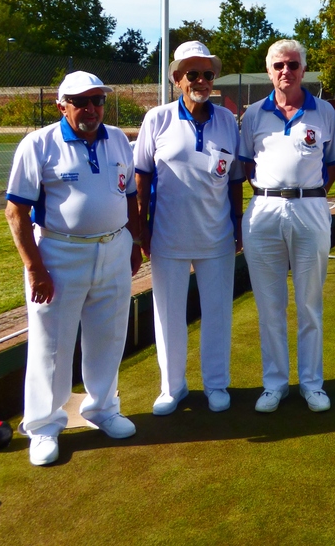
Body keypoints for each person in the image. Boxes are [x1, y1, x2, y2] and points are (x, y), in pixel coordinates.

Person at [5, 71, 142, 466]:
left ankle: (102, 409)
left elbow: (129, 196)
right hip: (60, 255)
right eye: (81, 101)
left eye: (97, 100)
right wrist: (35, 268)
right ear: (61, 105)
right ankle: (44, 426)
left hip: (114, 249)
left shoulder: (117, 138)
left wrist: (133, 243)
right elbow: (16, 212)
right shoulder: (39, 144)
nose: (91, 109)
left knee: (109, 334)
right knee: (52, 344)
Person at [134, 41, 243, 415]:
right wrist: (141, 228)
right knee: (168, 315)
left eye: (207, 74)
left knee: (217, 314)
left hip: (216, 236)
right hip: (167, 235)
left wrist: (237, 224)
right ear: (177, 78)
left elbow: (234, 181)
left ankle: (216, 384)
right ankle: (172, 387)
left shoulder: (228, 120)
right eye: (192, 74)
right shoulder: (157, 118)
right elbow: (142, 177)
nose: (200, 80)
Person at [239, 39, 335, 413]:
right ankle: (275, 384)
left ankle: (312, 384)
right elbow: (245, 165)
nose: (287, 71)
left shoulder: (324, 111)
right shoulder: (252, 114)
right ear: (269, 71)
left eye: (293, 65)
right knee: (270, 305)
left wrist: (308, 194)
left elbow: (333, 163)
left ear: (303, 70)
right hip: (263, 210)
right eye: (279, 65)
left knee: (310, 303)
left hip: (310, 209)